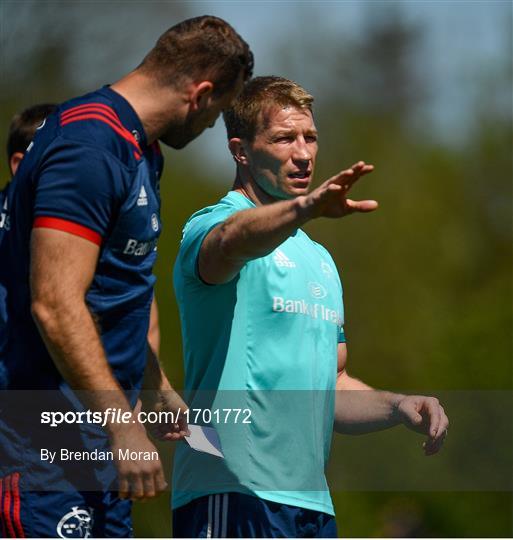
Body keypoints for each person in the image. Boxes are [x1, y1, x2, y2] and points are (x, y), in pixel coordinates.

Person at [0, 16, 253, 538]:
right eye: (218, 112)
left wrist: (155, 389)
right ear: (201, 94)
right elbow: (55, 301)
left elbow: (112, 294)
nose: (212, 128)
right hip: (44, 437)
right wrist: (123, 425)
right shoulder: (90, 147)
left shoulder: (141, 150)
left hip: (96, 433)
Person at [171, 76, 449, 538]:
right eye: (284, 138)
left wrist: (399, 405)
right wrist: (305, 208)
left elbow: (331, 386)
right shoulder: (212, 224)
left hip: (310, 504)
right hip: (231, 492)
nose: (303, 153)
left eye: (310, 137)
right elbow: (231, 243)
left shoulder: (319, 259)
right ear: (240, 151)